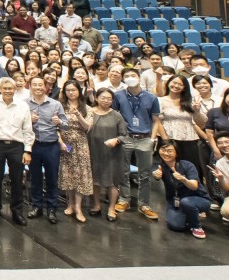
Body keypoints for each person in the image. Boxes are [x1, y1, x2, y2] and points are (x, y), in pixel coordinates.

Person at [111, 70, 162, 220]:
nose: (130, 78)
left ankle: (144, 203)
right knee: (123, 171)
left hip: (145, 138)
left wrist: (152, 139)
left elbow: (156, 120)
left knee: (145, 174)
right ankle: (124, 200)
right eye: (126, 76)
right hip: (126, 137)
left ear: (140, 78)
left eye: (133, 76)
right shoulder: (118, 96)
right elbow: (115, 117)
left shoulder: (151, 97)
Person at [0, 77, 32, 225]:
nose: (7, 91)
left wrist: (28, 150)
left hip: (16, 145)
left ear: (15, 89)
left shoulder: (22, 105)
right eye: (5, 88)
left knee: (17, 180)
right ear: (0, 89)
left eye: (10, 88)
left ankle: (17, 211)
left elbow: (28, 129)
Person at [26, 76, 68, 223]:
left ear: (46, 87)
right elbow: (17, 123)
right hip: (33, 145)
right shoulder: (24, 104)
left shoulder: (55, 104)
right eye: (34, 85)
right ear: (30, 86)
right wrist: (28, 120)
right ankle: (36, 206)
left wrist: (60, 122)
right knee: (35, 178)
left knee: (52, 178)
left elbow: (66, 124)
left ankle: (52, 208)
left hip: (51, 145)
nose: (38, 87)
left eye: (40, 85)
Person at [151, 139, 210, 238]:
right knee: (176, 225)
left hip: (198, 199)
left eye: (169, 151)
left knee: (186, 202)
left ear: (176, 153)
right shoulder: (160, 167)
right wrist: (156, 176)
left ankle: (196, 227)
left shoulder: (187, 165)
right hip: (175, 200)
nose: (166, 153)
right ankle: (190, 214)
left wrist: (184, 180)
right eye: (162, 150)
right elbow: (157, 175)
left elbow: (194, 186)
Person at [88, 88, 127, 221]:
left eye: (109, 99)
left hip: (112, 153)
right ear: (96, 98)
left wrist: (116, 140)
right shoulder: (90, 113)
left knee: (112, 182)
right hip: (93, 151)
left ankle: (111, 208)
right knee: (95, 180)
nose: (105, 101)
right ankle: (96, 205)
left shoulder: (116, 115)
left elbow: (124, 135)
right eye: (103, 98)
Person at [57, 80, 93, 223]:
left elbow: (87, 127)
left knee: (80, 176)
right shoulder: (61, 107)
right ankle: (70, 203)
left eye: (73, 90)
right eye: (68, 90)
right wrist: (60, 142)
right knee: (68, 175)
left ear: (79, 91)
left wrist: (78, 115)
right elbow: (58, 128)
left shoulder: (86, 108)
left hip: (81, 145)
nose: (71, 92)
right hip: (66, 145)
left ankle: (78, 207)